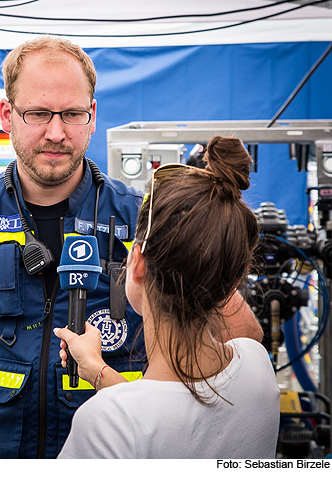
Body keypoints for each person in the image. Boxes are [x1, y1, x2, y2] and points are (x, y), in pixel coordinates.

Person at [0, 35, 263, 459]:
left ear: (92, 116)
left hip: (112, 452)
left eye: (72, 114)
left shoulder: (144, 218)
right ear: (7, 115)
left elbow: (242, 335)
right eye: (38, 113)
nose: (56, 132)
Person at [56, 136, 280, 459]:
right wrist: (96, 368)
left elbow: (145, 423)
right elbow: (163, 418)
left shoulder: (103, 424)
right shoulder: (257, 368)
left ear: (139, 266)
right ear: (232, 283)